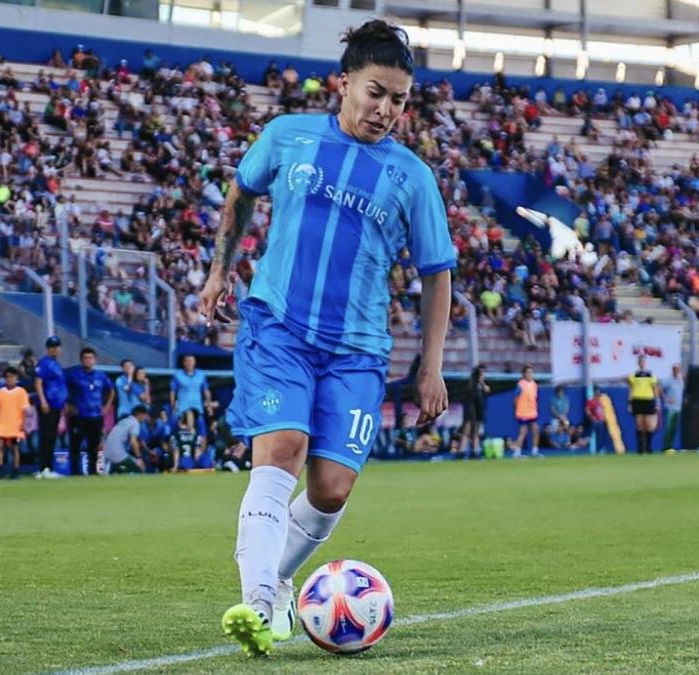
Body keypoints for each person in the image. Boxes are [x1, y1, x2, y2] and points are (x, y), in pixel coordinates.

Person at [199, 20, 454, 656]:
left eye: (398, 99)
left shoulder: (412, 177)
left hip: (358, 349)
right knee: (282, 446)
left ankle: (279, 584)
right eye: (376, 92)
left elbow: (436, 274)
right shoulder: (288, 136)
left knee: (331, 488)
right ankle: (258, 602)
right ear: (343, 83)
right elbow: (241, 191)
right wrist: (219, 271)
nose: (386, 110)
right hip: (278, 325)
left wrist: (431, 366)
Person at [64, 347, 113, 476]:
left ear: (95, 360)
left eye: (90, 358)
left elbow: (111, 390)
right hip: (78, 415)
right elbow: (63, 390)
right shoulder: (73, 375)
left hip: (96, 415)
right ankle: (74, 471)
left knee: (94, 445)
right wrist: (67, 405)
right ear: (81, 360)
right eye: (85, 358)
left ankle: (93, 470)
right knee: (75, 444)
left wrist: (106, 406)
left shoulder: (101, 376)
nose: (88, 360)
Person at [33, 336, 67, 479]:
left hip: (56, 405)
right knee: (47, 436)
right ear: (48, 349)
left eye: (57, 346)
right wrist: (43, 401)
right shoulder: (45, 362)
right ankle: (44, 468)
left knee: (51, 436)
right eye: (52, 347)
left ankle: (46, 468)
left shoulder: (56, 364)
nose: (55, 349)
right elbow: (38, 382)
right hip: (48, 405)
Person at [0, 366, 30, 479]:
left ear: (16, 378)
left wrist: (23, 423)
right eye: (7, 377)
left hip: (14, 424)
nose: (9, 379)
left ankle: (15, 470)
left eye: (12, 376)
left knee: (14, 447)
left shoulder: (21, 392)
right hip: (2, 423)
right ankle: (0, 470)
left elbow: (24, 409)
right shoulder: (0, 392)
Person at [627, 355, 661, 454]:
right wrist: (629, 402)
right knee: (639, 425)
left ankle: (649, 447)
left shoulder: (651, 375)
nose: (642, 363)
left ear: (645, 363)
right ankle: (640, 449)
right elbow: (631, 389)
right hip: (637, 400)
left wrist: (657, 402)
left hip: (648, 400)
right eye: (640, 361)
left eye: (643, 361)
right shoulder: (634, 375)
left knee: (649, 425)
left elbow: (655, 388)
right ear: (638, 363)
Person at [103, 404, 148, 474]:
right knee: (140, 467)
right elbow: (133, 441)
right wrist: (139, 458)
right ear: (140, 414)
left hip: (106, 453)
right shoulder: (135, 422)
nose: (146, 417)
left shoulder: (124, 420)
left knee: (123, 469)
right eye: (145, 415)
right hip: (117, 454)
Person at [458, 364, 488, 459]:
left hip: (478, 408)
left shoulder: (481, 385)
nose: (483, 374)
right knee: (467, 429)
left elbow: (487, 390)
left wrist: (482, 382)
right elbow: (469, 395)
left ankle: (475, 451)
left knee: (476, 430)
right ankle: (461, 452)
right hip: (471, 409)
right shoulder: (471, 383)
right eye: (482, 372)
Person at [171, 354, 212, 421]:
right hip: (182, 408)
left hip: (197, 407)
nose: (189, 363)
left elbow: (206, 390)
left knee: (201, 425)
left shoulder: (201, 374)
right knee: (177, 425)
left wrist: (209, 405)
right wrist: (173, 406)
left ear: (194, 362)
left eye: (191, 361)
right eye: (186, 361)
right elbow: (173, 391)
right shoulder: (177, 375)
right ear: (183, 363)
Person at [512, 365, 540, 458]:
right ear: (524, 374)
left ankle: (535, 451)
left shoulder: (534, 384)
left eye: (531, 372)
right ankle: (517, 452)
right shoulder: (520, 384)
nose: (530, 374)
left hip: (532, 412)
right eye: (528, 372)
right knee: (523, 432)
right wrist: (517, 408)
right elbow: (515, 398)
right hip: (522, 412)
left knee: (536, 430)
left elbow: (535, 398)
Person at [660, 364, 683, 452]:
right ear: (672, 370)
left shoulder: (680, 381)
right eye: (675, 369)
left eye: (678, 369)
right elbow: (659, 389)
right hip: (670, 408)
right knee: (668, 428)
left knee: (674, 428)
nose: (677, 371)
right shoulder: (668, 380)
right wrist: (666, 398)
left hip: (678, 407)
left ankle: (670, 446)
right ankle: (665, 447)